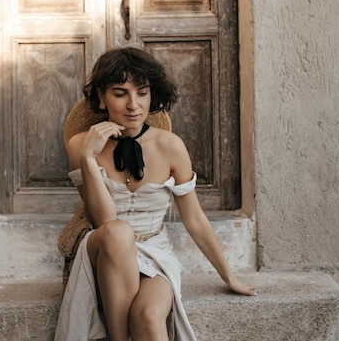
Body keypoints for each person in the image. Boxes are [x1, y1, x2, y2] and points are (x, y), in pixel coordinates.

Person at [54, 47, 254, 341]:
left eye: (142, 92)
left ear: (151, 95)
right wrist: (87, 158)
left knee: (148, 316)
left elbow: (195, 218)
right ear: (101, 97)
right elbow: (104, 219)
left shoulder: (171, 146)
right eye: (120, 93)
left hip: (155, 251)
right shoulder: (80, 145)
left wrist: (229, 275)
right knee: (118, 232)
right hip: (104, 251)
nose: (133, 104)